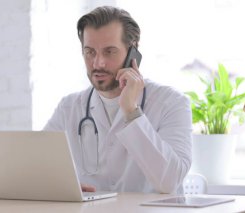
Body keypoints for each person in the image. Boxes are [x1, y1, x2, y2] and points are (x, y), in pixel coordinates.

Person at [44, 6, 192, 194]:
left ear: (133, 51)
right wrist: (60, 188)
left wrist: (131, 111)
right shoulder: (69, 107)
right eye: (90, 52)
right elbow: (38, 166)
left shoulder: (171, 103)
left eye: (109, 52)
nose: (98, 63)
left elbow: (170, 181)